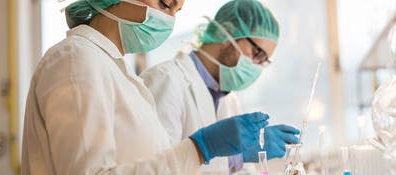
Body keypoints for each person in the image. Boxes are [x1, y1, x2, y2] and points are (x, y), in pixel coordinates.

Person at [21, 0, 270, 174]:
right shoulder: (76, 59)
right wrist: (200, 148)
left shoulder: (116, 71)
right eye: (164, 4)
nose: (167, 20)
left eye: (176, 11)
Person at [140, 0, 300, 173]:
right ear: (229, 31)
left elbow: (242, 171)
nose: (258, 66)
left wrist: (244, 158)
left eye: (264, 61)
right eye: (258, 54)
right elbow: (157, 168)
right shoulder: (165, 80)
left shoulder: (229, 100)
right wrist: (236, 157)